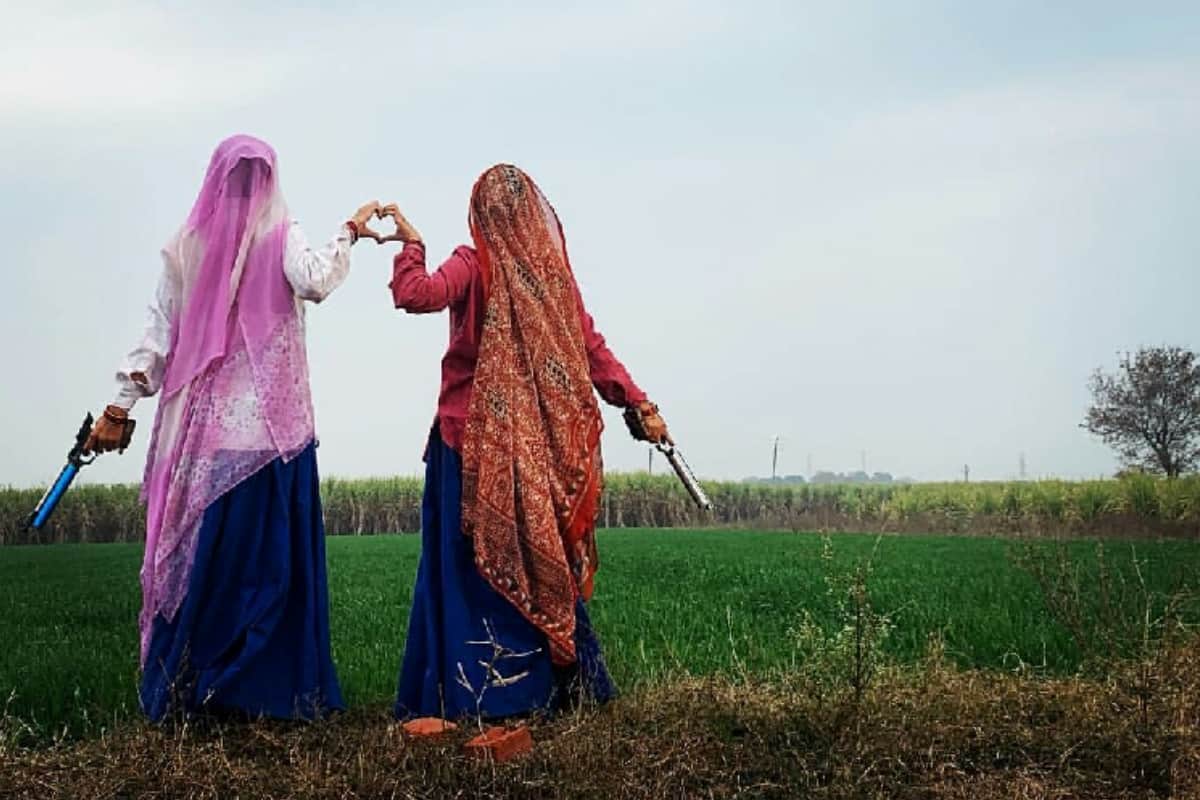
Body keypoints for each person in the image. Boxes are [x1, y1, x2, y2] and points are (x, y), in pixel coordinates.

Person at [85, 134, 381, 722]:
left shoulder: (187, 248)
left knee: (208, 567)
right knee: (272, 568)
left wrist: (120, 408)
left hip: (211, 445)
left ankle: (197, 689)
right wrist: (350, 229)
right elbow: (315, 281)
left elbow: (157, 336)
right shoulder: (281, 234)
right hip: (274, 441)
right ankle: (268, 695)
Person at [386, 164, 671, 721]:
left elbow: (415, 294)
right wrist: (639, 403)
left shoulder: (473, 263)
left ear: (482, 213)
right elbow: (592, 352)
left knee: (466, 569)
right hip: (528, 454)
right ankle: (566, 689)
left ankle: (477, 695)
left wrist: (410, 243)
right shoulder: (551, 281)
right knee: (543, 565)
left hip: (465, 445)